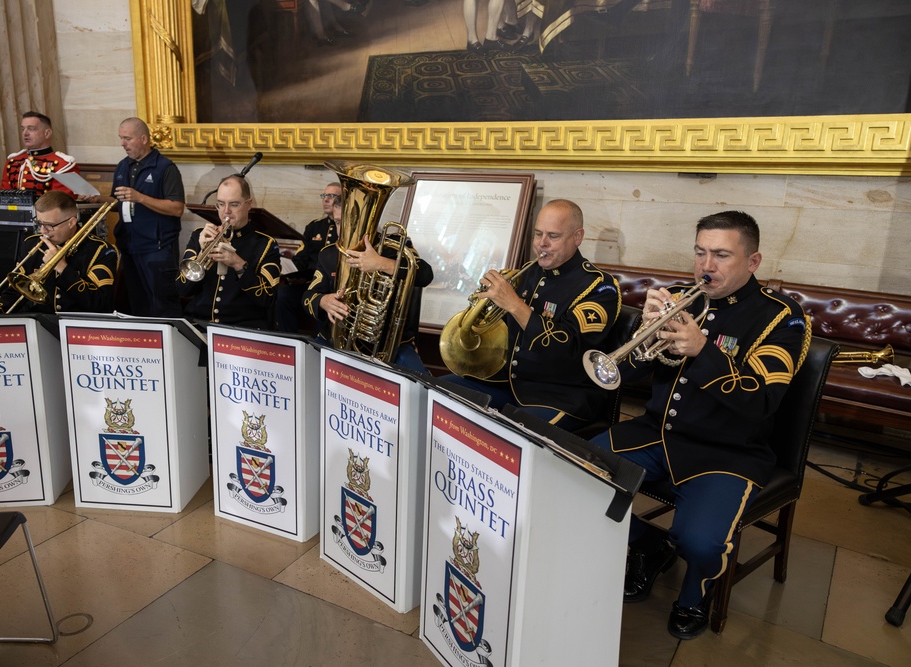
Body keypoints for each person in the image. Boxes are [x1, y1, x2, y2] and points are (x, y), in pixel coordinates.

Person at [589, 210, 810, 640]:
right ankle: (647, 546)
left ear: (753, 261)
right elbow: (627, 376)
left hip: (728, 452)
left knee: (701, 542)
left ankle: (694, 594)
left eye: (722, 255)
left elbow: (761, 402)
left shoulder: (783, 318)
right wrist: (644, 330)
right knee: (573, 474)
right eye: (700, 252)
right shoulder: (677, 296)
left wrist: (704, 350)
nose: (706, 266)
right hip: (657, 433)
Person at [442, 199, 620, 431]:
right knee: (437, 392)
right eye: (538, 234)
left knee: (508, 434)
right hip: (511, 384)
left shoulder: (598, 287)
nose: (541, 244)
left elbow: (568, 350)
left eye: (553, 236)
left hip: (561, 396)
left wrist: (514, 304)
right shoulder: (529, 272)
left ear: (577, 237)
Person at [302, 199, 434, 374]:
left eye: (352, 223)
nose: (346, 230)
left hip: (391, 344)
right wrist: (323, 301)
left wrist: (382, 263)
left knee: (421, 386)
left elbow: (425, 274)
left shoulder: (393, 246)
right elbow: (308, 296)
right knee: (305, 373)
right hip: (336, 337)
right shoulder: (329, 253)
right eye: (339, 223)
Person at [81, 117, 185, 318]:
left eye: (127, 138)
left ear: (144, 139)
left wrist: (141, 198)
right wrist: (99, 199)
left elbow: (177, 208)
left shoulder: (165, 168)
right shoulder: (122, 166)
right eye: (121, 138)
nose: (122, 143)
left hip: (157, 249)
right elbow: (119, 202)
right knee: (137, 305)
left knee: (163, 305)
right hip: (129, 246)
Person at [176, 175, 281, 328]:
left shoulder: (265, 244)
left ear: (248, 204)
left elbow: (268, 298)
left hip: (242, 330)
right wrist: (201, 255)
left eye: (234, 204)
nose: (226, 212)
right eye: (220, 204)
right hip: (199, 324)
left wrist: (238, 264)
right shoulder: (200, 236)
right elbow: (182, 289)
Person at [0, 191, 118, 314]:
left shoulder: (100, 250)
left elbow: (102, 304)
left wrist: (63, 269)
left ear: (71, 222)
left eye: (49, 225)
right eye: (39, 223)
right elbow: (15, 291)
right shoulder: (31, 244)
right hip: (39, 322)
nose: (43, 231)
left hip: (78, 328)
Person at [276, 183, 341, 333]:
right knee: (283, 295)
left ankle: (320, 341)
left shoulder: (345, 229)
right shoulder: (314, 227)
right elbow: (301, 258)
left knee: (325, 304)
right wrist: (292, 274)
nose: (325, 200)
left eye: (331, 196)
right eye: (324, 196)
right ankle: (289, 340)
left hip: (332, 286)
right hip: (308, 283)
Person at [0, 111, 80, 197]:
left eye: (31, 129)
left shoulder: (64, 164)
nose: (25, 133)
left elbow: (61, 202)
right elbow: (4, 196)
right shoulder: (14, 162)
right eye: (23, 129)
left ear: (47, 133)